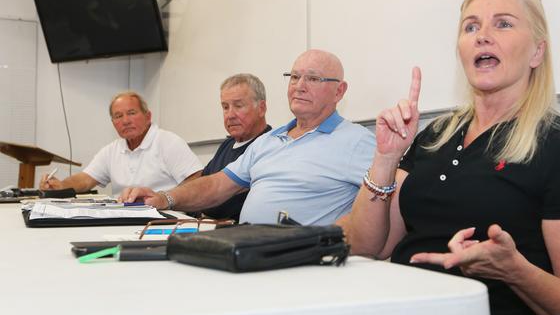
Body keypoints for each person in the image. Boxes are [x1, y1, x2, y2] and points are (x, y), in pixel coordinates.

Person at [338, 0, 560, 315]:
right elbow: (368, 246)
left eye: (503, 23)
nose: (482, 36)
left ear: (536, 52)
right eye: (471, 26)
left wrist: (514, 270)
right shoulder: (435, 136)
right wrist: (386, 158)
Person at [121, 49, 375, 225]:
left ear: (339, 91)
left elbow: (388, 205)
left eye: (313, 78)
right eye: (295, 77)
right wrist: (165, 198)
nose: (299, 86)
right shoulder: (269, 141)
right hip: (248, 249)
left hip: (303, 261)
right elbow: (217, 185)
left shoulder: (358, 142)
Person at [40, 91, 203, 196]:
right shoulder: (112, 150)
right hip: (124, 218)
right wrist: (61, 185)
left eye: (131, 113)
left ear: (148, 117)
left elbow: (197, 180)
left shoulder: (168, 142)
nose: (125, 121)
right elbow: (85, 179)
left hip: (164, 218)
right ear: (113, 122)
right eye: (118, 116)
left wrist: (166, 198)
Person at [199, 73, 271, 221]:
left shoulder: (269, 146)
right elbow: (203, 187)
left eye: (238, 106)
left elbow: (224, 205)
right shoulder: (227, 144)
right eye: (225, 107)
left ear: (261, 108)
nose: (230, 115)